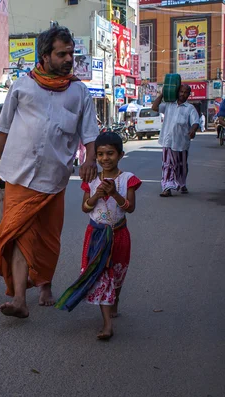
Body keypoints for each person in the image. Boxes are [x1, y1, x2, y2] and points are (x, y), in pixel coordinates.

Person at [0, 25, 99, 319]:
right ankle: (20, 298)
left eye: (71, 53)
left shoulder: (79, 91)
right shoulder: (22, 86)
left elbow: (89, 132)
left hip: (55, 178)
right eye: (62, 54)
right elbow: (3, 130)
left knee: (48, 238)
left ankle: (44, 283)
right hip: (18, 174)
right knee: (19, 235)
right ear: (45, 56)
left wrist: (90, 160)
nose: (69, 59)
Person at [55, 132, 142, 340]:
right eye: (101, 154)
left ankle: (115, 301)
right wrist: (96, 195)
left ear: (120, 154)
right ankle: (107, 325)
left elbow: (130, 208)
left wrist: (114, 194)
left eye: (110, 153)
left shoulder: (127, 179)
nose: (105, 158)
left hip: (119, 236)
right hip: (96, 235)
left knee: (117, 276)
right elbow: (85, 208)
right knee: (102, 275)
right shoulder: (92, 180)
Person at [152, 84, 199, 197]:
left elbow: (195, 122)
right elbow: (154, 107)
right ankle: (167, 187)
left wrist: (192, 130)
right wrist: (163, 93)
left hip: (181, 141)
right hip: (167, 141)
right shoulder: (169, 105)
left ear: (189, 94)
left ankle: (182, 184)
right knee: (167, 164)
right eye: (181, 91)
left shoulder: (190, 108)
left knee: (181, 165)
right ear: (177, 92)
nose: (183, 94)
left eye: (185, 92)